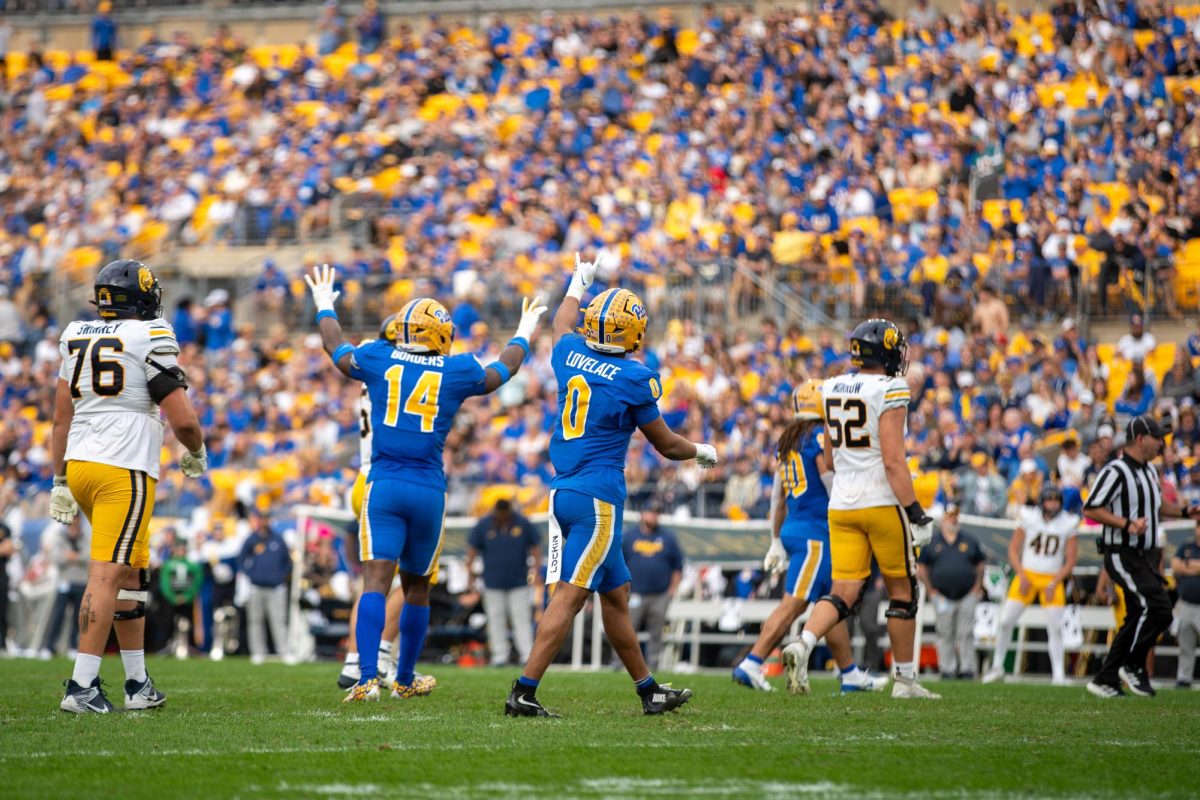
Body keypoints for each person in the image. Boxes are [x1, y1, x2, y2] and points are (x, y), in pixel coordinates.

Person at [307, 264, 547, 701]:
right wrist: (525, 329)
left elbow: (335, 347)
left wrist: (325, 303)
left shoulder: (378, 357)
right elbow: (502, 371)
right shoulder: (456, 370)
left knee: (375, 583)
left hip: (382, 483)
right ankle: (403, 678)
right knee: (417, 587)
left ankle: (364, 679)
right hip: (427, 490)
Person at [505, 253, 718, 718]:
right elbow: (665, 444)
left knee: (616, 595)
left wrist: (578, 282)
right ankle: (523, 690)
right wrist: (702, 450)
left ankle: (648, 691)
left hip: (563, 492)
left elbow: (563, 321)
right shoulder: (633, 377)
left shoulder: (568, 351)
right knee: (571, 594)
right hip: (596, 499)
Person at [51, 259, 207, 713]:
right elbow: (183, 418)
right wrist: (195, 450)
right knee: (106, 576)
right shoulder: (151, 334)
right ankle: (81, 686)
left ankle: (137, 683)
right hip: (123, 467)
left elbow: (62, 417)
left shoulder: (74, 334)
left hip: (81, 463)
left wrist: (59, 478)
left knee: (133, 573)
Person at [782, 318, 939, 699]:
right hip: (881, 501)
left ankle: (803, 642)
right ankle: (904, 681)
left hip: (842, 506)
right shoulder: (890, 387)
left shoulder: (832, 386)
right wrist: (916, 511)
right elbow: (893, 462)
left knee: (842, 593)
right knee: (903, 592)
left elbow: (831, 459)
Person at [733, 380, 888, 693]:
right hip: (815, 532)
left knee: (830, 602)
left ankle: (849, 673)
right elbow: (830, 479)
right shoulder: (819, 436)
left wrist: (776, 539)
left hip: (798, 528)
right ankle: (752, 662)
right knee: (795, 603)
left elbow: (778, 498)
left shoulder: (789, 439)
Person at [1083, 415, 1197, 698]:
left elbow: (1155, 507)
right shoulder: (1116, 471)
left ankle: (1106, 678)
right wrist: (1126, 524)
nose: (1161, 443)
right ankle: (1133, 664)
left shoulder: (1148, 472)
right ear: (1140, 438)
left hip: (1144, 554)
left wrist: (1184, 512)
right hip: (1123, 552)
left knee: (1136, 614)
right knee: (1158, 608)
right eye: (1157, 437)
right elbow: (1091, 508)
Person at [337, 314, 410, 690]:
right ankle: (379, 651)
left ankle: (355, 659)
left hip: (364, 479)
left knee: (374, 581)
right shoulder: (397, 369)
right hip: (385, 477)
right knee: (417, 577)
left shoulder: (374, 365)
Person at [983, 485, 1078, 685]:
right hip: (1027, 575)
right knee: (1006, 621)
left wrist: (1055, 582)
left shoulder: (1068, 522)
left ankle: (1059, 675)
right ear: (1041, 502)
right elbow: (1013, 550)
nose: (1053, 504)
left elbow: (1071, 560)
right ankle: (998, 666)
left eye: (1056, 500)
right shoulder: (1029, 517)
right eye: (1049, 500)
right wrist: (1022, 575)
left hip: (1052, 578)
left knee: (1056, 627)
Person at [466, 498, 541, 667]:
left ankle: (526, 656)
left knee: (521, 619)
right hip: (492, 581)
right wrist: (470, 574)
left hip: (519, 581)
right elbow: (471, 550)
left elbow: (536, 547)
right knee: (495, 619)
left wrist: (536, 571)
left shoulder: (522, 522)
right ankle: (499, 656)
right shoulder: (484, 524)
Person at [917, 503, 986, 679]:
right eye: (949, 516)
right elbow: (921, 566)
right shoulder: (932, 541)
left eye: (955, 515)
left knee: (965, 633)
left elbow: (980, 562)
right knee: (944, 632)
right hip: (941, 594)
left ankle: (967, 669)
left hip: (966, 594)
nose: (953, 519)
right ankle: (947, 669)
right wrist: (930, 589)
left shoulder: (969, 539)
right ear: (942, 519)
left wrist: (978, 584)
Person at [622, 506, 683, 672]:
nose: (653, 516)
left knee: (656, 633)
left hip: (660, 594)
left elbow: (678, 567)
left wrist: (671, 591)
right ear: (642, 514)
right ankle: (619, 663)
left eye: (656, 512)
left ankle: (653, 663)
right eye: (650, 511)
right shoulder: (630, 536)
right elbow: (620, 562)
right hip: (634, 592)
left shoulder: (667, 538)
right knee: (626, 630)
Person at [239, 512, 293, 665]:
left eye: (266, 518)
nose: (264, 521)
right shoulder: (252, 539)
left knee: (279, 620)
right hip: (256, 586)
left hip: (276, 587)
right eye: (262, 518)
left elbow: (287, 562)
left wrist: (280, 577)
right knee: (255, 620)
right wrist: (252, 575)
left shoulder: (278, 539)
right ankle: (258, 652)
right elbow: (241, 559)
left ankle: (284, 651)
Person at [39, 520, 90, 658]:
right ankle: (49, 646)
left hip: (81, 582)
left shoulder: (86, 537)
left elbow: (89, 556)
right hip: (64, 582)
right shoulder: (59, 537)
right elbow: (56, 558)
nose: (74, 527)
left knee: (77, 617)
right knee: (58, 616)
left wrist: (72, 556)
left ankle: (73, 646)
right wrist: (77, 557)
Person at [1170, 521, 1200, 688]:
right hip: (1186, 603)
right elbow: (1175, 565)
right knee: (1185, 645)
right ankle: (1184, 679)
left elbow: (1181, 565)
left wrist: (1187, 564)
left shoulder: (1188, 554)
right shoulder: (1186, 546)